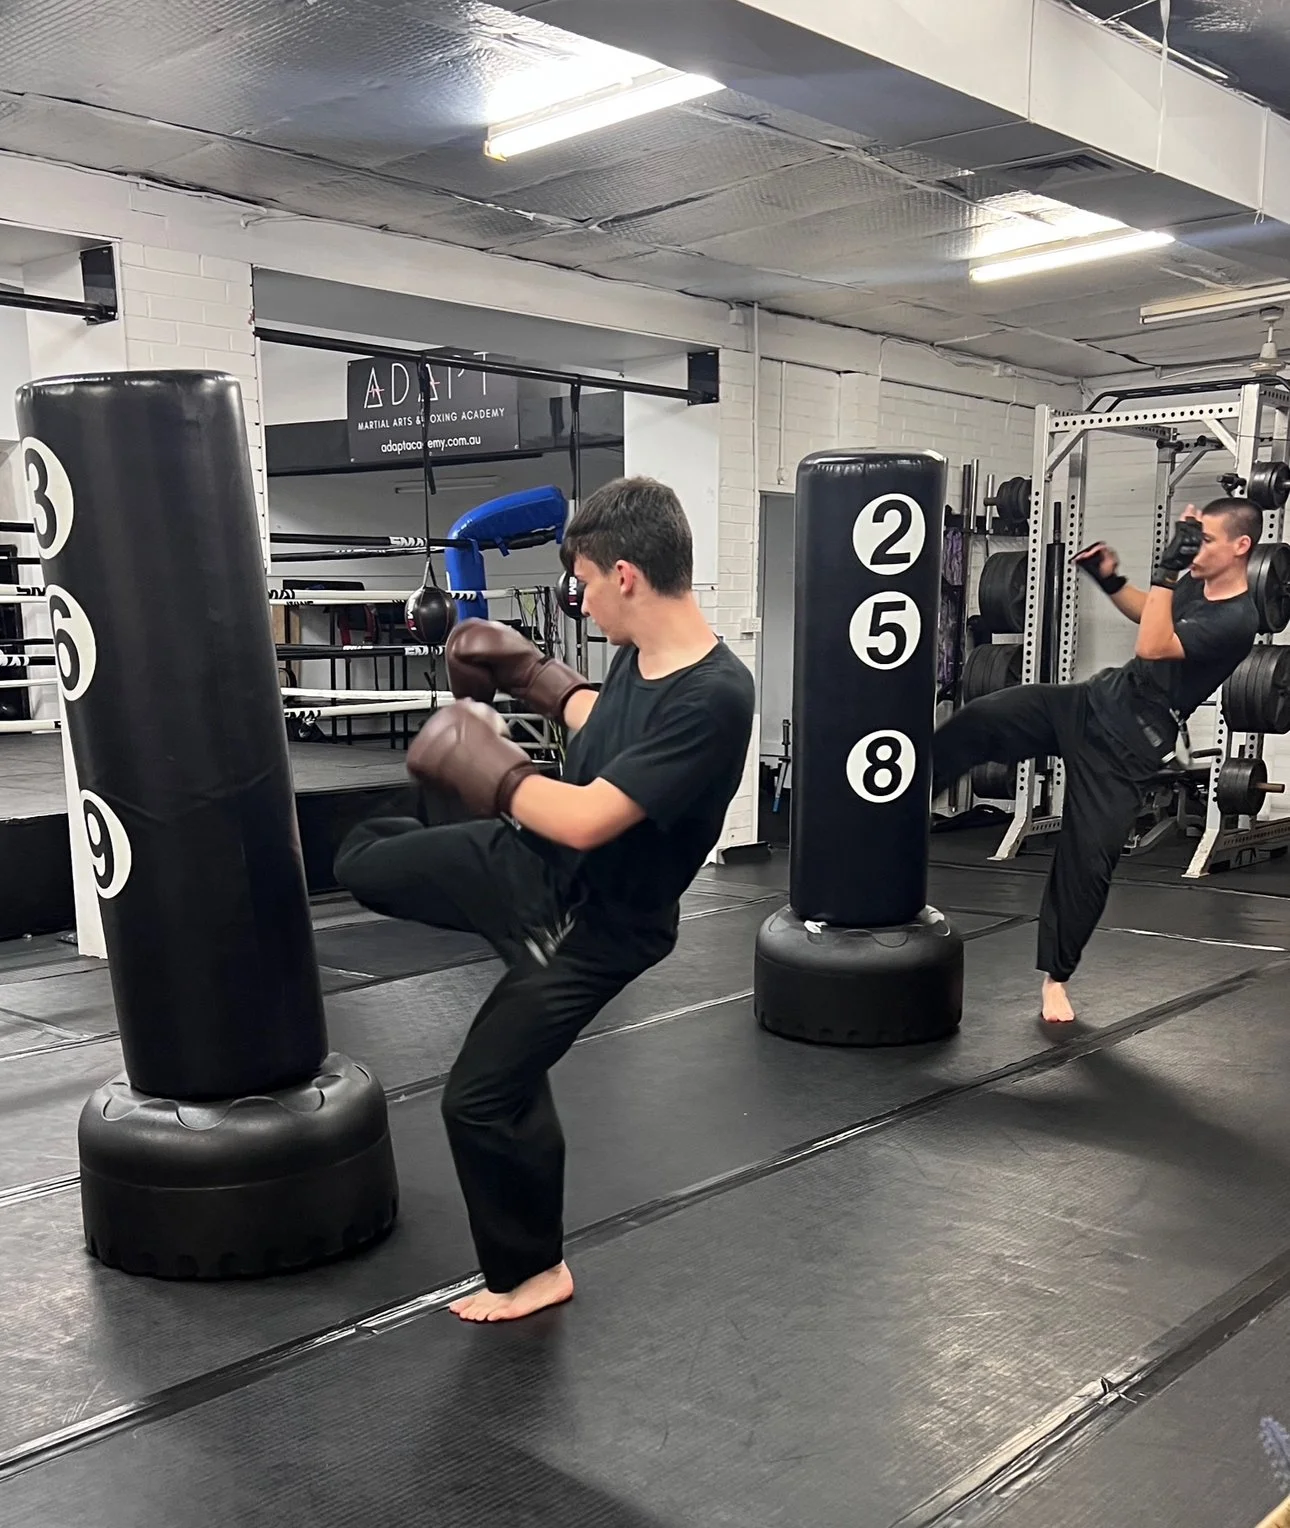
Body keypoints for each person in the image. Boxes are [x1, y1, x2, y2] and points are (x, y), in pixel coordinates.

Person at [334, 477, 755, 1323]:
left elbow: (592, 816)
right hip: (531, 862)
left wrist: (487, 766)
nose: (585, 601)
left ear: (626, 575)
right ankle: (453, 807)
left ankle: (532, 1273)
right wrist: (533, 676)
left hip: (591, 925)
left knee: (480, 1098)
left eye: (587, 583)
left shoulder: (717, 695)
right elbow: (608, 724)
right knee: (362, 858)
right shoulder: (645, 657)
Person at [932, 497, 1261, 1025]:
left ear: (1241, 547)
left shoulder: (1239, 620)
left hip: (1128, 747)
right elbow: (1151, 612)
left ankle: (1055, 981)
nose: (1195, 549)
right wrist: (1112, 581)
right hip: (1092, 702)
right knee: (981, 719)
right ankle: (897, 812)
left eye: (1208, 540)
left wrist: (1166, 571)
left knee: (1086, 863)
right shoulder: (1198, 588)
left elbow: (1154, 646)